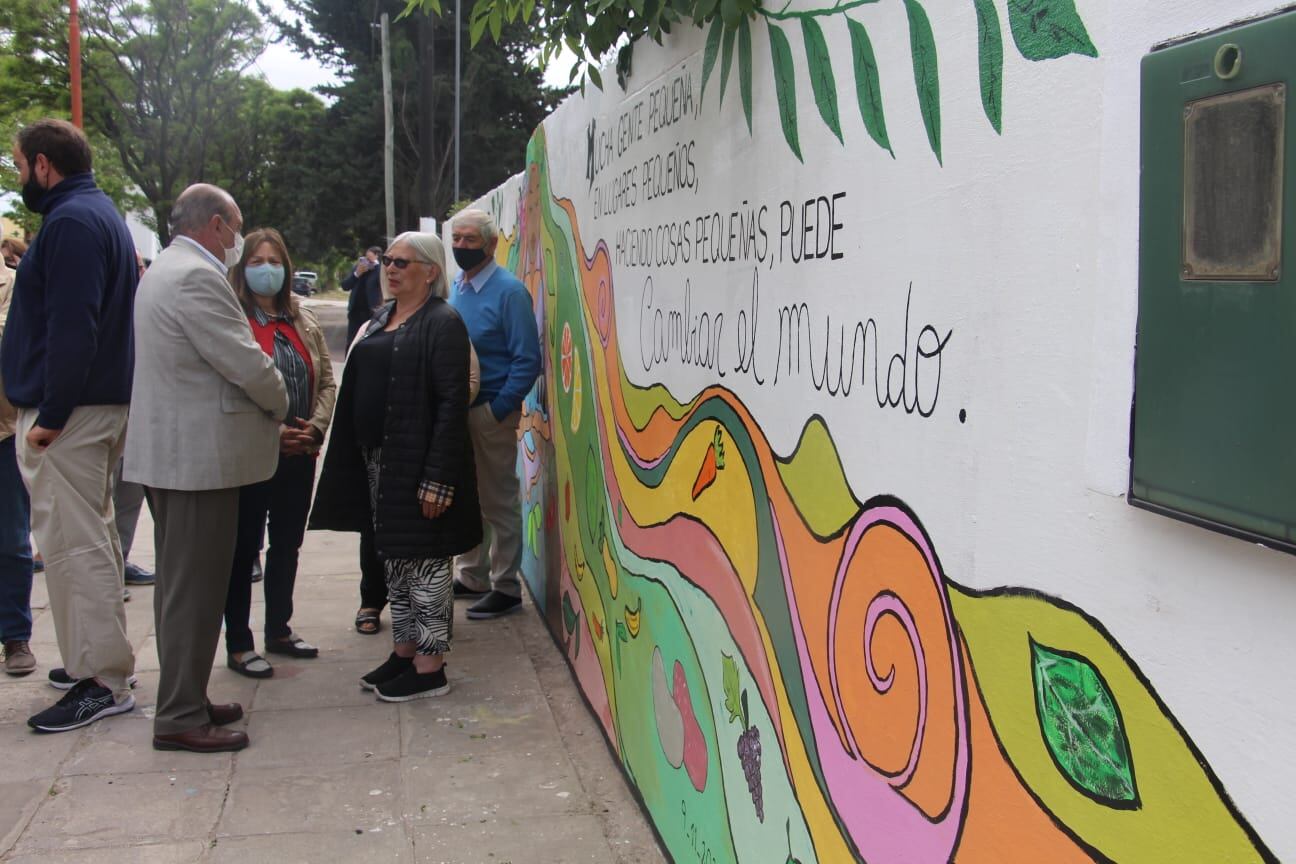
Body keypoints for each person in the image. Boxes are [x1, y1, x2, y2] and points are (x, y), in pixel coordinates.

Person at [125, 183, 287, 753]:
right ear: (217, 225)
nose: (238, 242)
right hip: (197, 463)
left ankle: (186, 694)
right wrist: (280, 398)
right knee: (194, 592)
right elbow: (243, 360)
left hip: (179, 458)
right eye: (236, 228)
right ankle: (179, 716)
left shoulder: (167, 269)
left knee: (180, 587)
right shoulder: (195, 275)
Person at [2, 119, 137, 732]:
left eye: (18, 165)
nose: (18, 176)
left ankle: (102, 681)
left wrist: (49, 418)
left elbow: (73, 325)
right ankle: (95, 661)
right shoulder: (94, 213)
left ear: (42, 165)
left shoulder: (73, 222)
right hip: (91, 411)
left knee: (74, 548)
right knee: (91, 542)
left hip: (71, 417)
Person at [311, 231, 481, 702]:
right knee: (396, 561)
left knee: (426, 565)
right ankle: (404, 652)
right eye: (388, 260)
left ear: (430, 271)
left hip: (419, 464)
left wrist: (439, 478)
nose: (391, 269)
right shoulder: (383, 316)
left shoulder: (442, 322)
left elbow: (451, 404)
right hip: (378, 460)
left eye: (403, 262)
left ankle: (430, 668)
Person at [223, 228, 336, 679]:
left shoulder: (302, 318)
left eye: (274, 260)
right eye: (256, 261)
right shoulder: (231, 317)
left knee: (287, 544)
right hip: (251, 455)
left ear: (286, 268)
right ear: (241, 267)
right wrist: (273, 435)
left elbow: (326, 380)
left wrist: (315, 428)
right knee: (242, 547)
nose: (266, 269)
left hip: (300, 453)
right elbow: (228, 390)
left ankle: (279, 630)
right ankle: (239, 642)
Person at [447, 209, 542, 620]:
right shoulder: (459, 286)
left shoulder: (509, 292)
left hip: (490, 413)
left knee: (498, 500)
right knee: (467, 498)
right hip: (456, 411)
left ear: (490, 245)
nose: (462, 247)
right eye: (457, 238)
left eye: (470, 240)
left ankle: (505, 586)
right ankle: (472, 574)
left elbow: (527, 359)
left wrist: (497, 409)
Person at [0, 260, 36, 677]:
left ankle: (15, 635)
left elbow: (10, 341)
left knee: (11, 540)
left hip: (5, 430)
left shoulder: (13, 282)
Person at [342, 246, 383, 348]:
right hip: (355, 311)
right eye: (365, 258)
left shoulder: (380, 271)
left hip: (371, 312)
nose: (366, 262)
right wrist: (357, 274)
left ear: (376, 257)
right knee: (351, 342)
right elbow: (345, 286)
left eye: (369, 259)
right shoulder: (358, 268)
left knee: (368, 342)